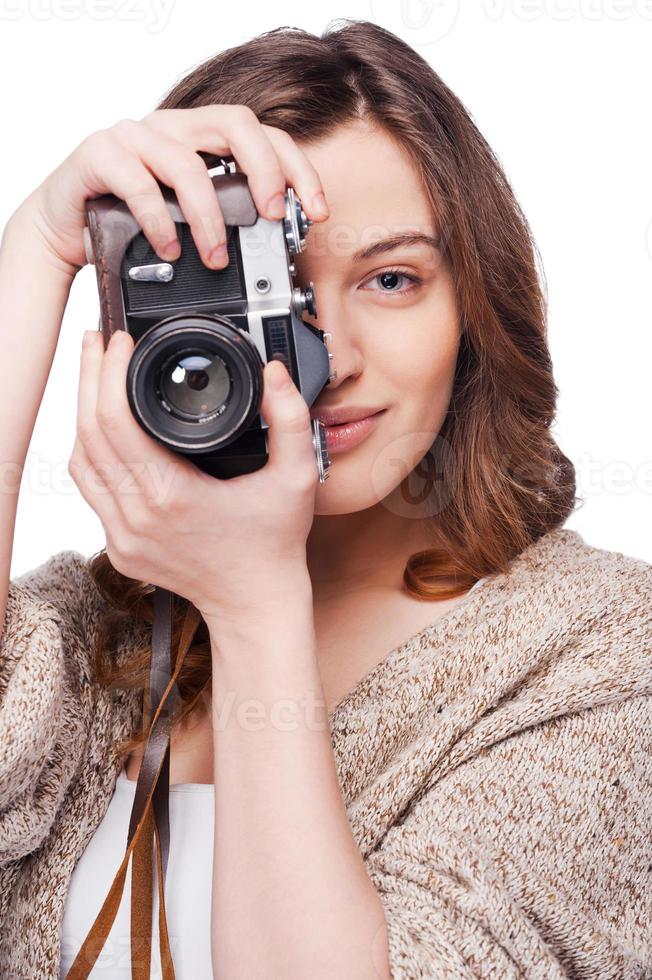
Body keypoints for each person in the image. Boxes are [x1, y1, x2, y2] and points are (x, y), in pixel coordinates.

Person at [1, 18, 650, 980]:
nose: (328, 359)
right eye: (268, 290)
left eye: (392, 279)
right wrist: (38, 247)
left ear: (473, 307)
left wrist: (255, 607)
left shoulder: (601, 653)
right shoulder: (90, 631)